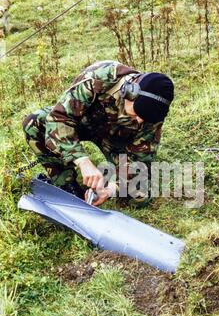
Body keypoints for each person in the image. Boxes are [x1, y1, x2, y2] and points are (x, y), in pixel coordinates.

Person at [23, 60, 174, 206]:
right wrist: (82, 160)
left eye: (147, 118)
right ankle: (66, 184)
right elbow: (59, 118)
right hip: (80, 124)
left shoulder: (153, 116)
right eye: (139, 112)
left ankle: (103, 186)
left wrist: (110, 190)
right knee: (34, 122)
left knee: (139, 196)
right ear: (130, 93)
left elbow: (141, 158)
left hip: (116, 139)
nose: (141, 120)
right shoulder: (99, 77)